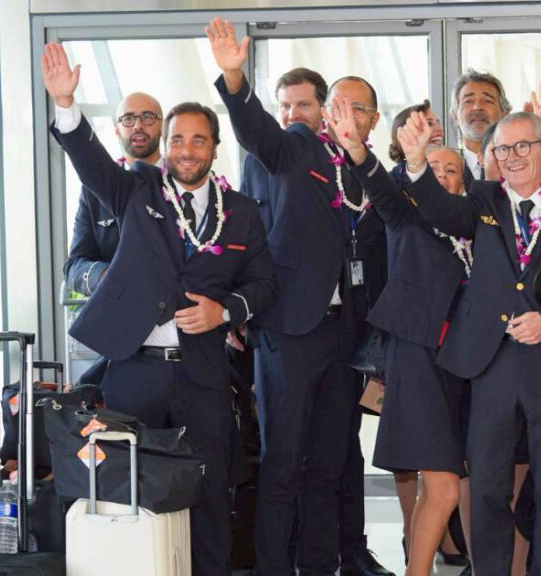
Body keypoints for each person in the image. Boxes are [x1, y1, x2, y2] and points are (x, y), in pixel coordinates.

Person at [42, 43, 276, 576]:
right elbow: (91, 163)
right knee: (128, 491)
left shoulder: (240, 212)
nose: (186, 149)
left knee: (211, 490)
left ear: (215, 149)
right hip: (134, 373)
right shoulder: (138, 189)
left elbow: (264, 284)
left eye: (198, 140)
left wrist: (226, 311)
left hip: (203, 373)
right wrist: (66, 105)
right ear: (164, 147)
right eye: (177, 140)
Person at [206, 19, 389, 576]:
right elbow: (258, 130)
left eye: (306, 105)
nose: (296, 115)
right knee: (283, 464)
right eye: (292, 107)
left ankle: (320, 566)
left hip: (344, 335)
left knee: (329, 466)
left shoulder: (357, 166)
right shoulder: (294, 149)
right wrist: (235, 78)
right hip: (287, 330)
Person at [399, 110, 541, 576]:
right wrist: (417, 164)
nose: (513, 157)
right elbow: (439, 208)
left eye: (523, 146)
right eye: (502, 148)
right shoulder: (482, 199)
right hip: (492, 367)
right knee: (489, 487)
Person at [327, 101, 472, 576]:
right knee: (446, 486)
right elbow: (383, 192)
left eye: (451, 169)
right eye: (432, 167)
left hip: (467, 365)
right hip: (418, 359)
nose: (441, 174)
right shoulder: (406, 220)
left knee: (446, 485)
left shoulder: (478, 230)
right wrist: (355, 148)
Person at [63, 91, 164, 385]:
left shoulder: (185, 185)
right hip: (122, 343)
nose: (138, 126)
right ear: (117, 128)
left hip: (181, 344)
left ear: (163, 126)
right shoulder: (95, 193)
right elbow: (74, 267)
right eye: (129, 118)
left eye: (148, 117)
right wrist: (105, 275)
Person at [241, 67, 327, 231]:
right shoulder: (254, 162)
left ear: (323, 108)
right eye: (285, 106)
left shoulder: (337, 159)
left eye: (304, 105)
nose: (293, 114)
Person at [451, 70, 511, 185]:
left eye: (488, 101)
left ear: (505, 113)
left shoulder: (518, 165)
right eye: (468, 101)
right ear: (454, 115)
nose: (477, 107)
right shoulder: (442, 169)